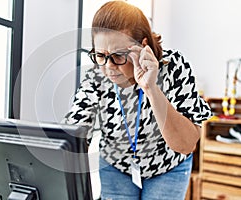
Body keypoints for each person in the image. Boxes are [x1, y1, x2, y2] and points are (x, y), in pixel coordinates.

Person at [63, 1, 212, 199]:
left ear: (142, 46)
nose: (108, 67)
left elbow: (186, 144)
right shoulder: (96, 77)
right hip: (116, 165)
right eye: (100, 55)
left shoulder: (174, 66)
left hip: (167, 166)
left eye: (118, 56)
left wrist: (151, 88)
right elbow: (73, 133)